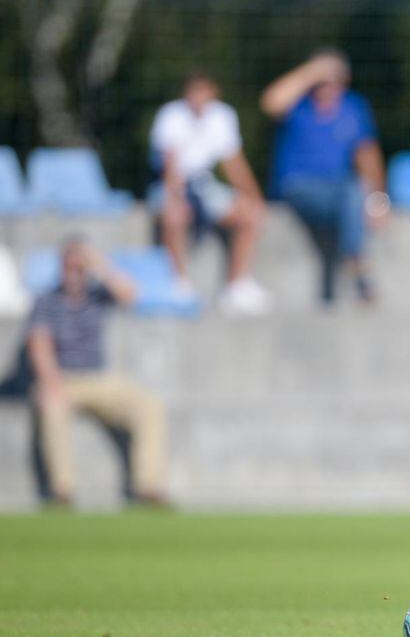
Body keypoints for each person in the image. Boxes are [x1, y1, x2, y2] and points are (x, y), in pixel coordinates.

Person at [26, 238, 167, 506]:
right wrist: (50, 383)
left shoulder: (98, 295)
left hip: (98, 378)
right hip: (63, 377)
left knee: (150, 406)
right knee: (52, 407)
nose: (74, 273)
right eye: (70, 265)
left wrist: (99, 265)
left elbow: (131, 295)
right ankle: (62, 490)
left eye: (80, 267)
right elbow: (39, 345)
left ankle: (148, 486)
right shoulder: (46, 301)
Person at [261, 49, 389, 304]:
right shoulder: (299, 104)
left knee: (353, 189)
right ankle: (357, 262)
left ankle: (354, 259)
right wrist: (311, 71)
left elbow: (367, 155)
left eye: (332, 80)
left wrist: (378, 199)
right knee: (350, 193)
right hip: (297, 186)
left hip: (339, 191)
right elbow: (271, 102)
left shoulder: (353, 107)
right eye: (321, 80)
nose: (326, 86)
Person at [148, 71, 273, 315]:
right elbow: (170, 166)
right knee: (174, 216)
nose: (198, 97)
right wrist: (176, 198)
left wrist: (255, 198)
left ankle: (237, 285)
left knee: (250, 215)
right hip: (173, 184)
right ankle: (178, 284)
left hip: (204, 185)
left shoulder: (223, 116)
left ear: (213, 92)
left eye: (203, 90)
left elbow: (233, 163)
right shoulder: (170, 116)